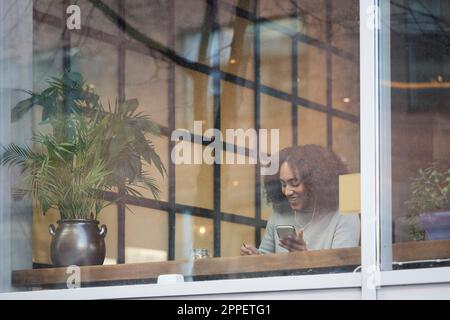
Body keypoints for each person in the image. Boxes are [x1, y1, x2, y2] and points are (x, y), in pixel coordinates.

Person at [241, 145, 360, 255]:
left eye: (294, 183)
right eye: (283, 184)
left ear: (314, 183)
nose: (287, 191)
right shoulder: (279, 213)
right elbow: (266, 258)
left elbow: (341, 271)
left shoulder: (344, 215)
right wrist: (255, 256)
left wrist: (305, 257)